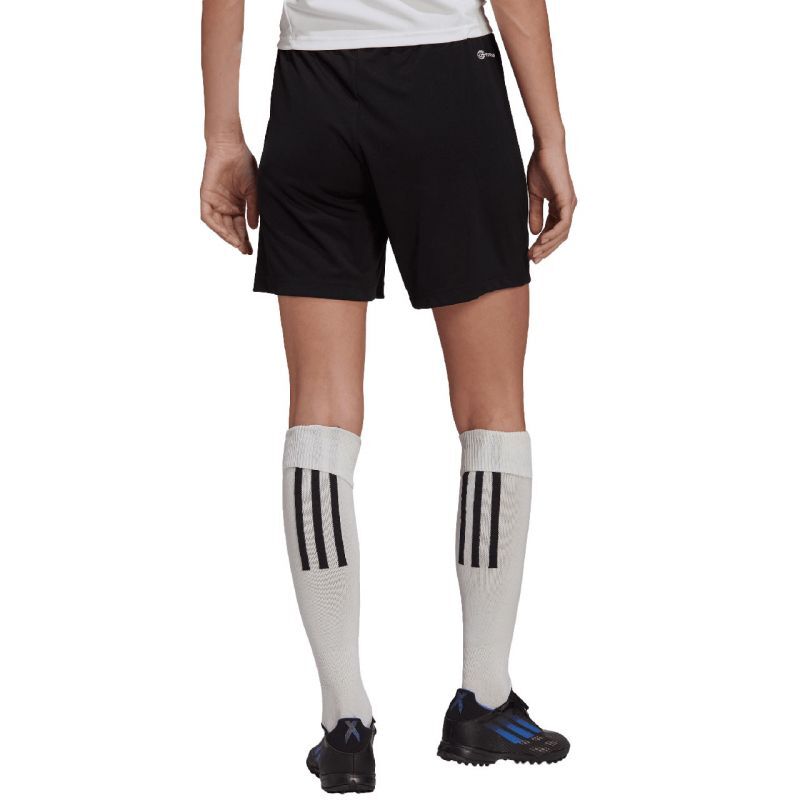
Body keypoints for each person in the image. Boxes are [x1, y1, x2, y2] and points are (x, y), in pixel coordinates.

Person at [201, 0, 576, 792]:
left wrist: (222, 135)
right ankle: (484, 699)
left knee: (319, 415)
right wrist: (552, 137)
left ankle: (344, 721)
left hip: (310, 91)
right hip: (449, 85)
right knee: (491, 410)